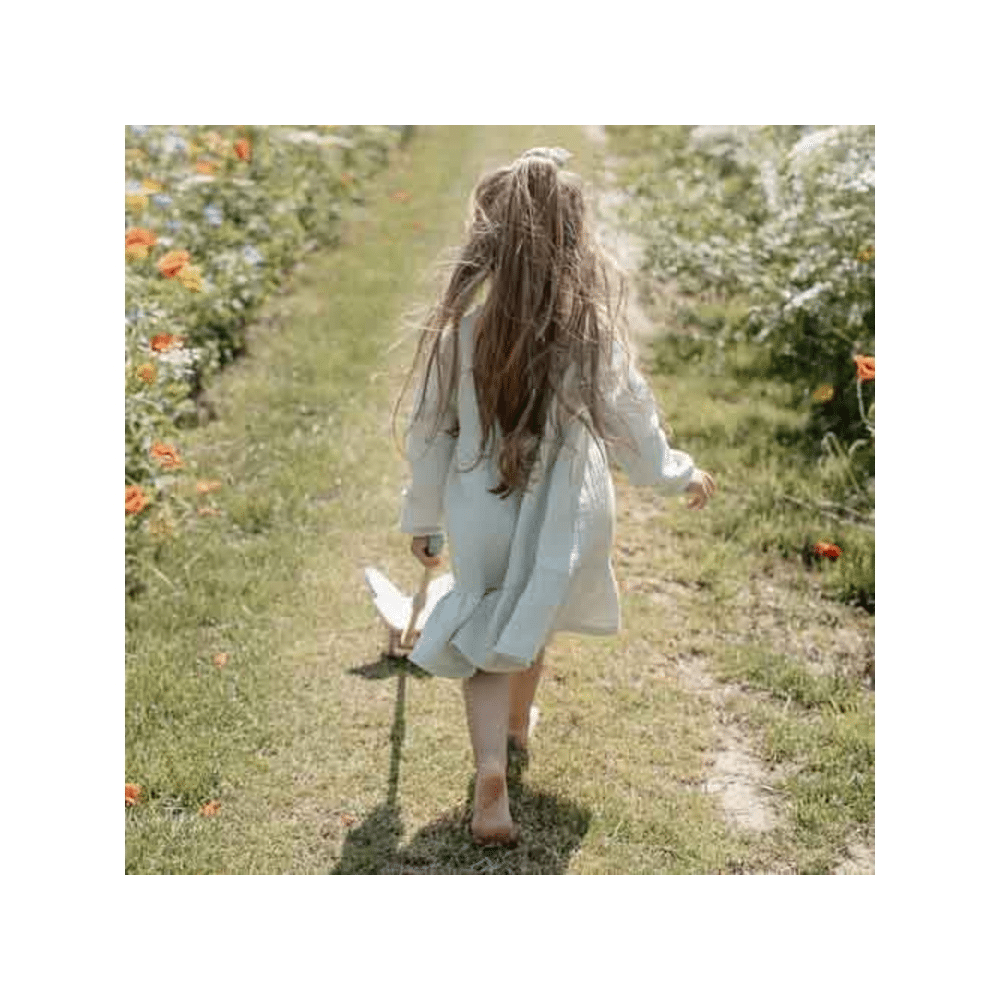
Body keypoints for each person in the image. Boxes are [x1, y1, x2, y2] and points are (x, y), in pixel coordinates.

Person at [392, 147, 716, 846]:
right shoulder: (588, 332)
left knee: (485, 629)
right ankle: (517, 728)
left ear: (487, 243)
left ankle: (491, 770)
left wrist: (423, 517)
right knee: (531, 613)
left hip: (481, 505)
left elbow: (430, 433)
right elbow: (632, 420)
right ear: (574, 241)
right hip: (568, 510)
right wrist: (675, 473)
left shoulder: (460, 335)